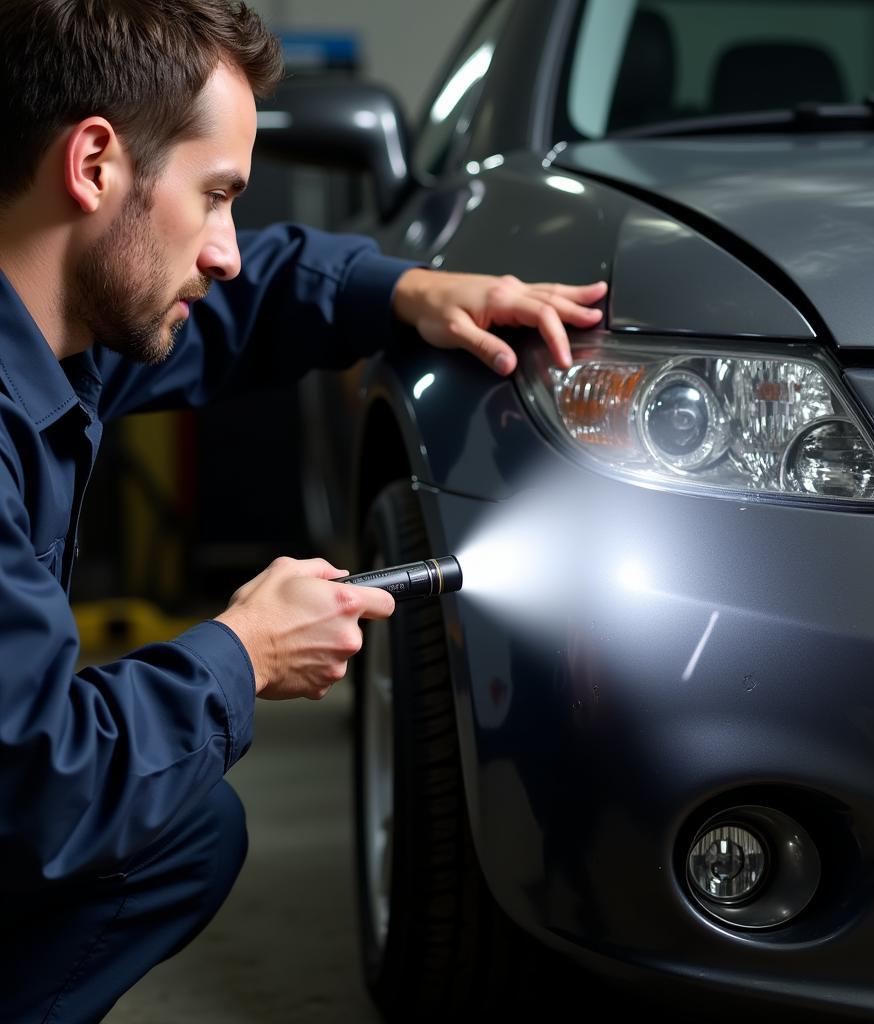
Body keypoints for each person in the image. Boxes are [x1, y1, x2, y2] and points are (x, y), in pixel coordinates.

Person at [0, 2, 606, 1021]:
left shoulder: (57, 330)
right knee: (162, 827)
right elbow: (37, 791)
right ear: (94, 163)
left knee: (185, 830)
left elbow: (250, 297)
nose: (226, 249)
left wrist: (404, 289)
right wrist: (242, 653)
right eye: (218, 196)